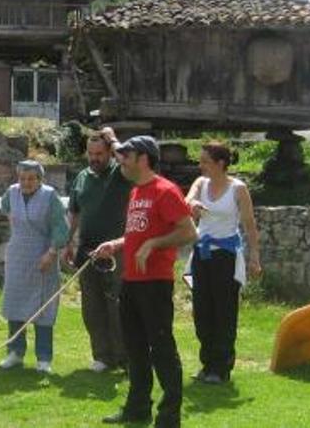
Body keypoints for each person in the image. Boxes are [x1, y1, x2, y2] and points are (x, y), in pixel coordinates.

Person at [95, 134, 197, 428]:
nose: (121, 160)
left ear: (143, 158)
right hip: (132, 280)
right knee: (135, 349)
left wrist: (153, 244)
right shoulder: (136, 193)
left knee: (161, 349)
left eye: (126, 155)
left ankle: (169, 417)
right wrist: (115, 244)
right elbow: (137, 235)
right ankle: (137, 409)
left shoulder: (166, 191)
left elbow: (190, 232)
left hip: (156, 283)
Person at [184, 141, 262, 384]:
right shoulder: (201, 183)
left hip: (226, 255)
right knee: (202, 311)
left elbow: (249, 225)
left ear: (220, 164)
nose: (201, 165)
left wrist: (254, 258)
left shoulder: (238, 189)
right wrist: (193, 204)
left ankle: (221, 368)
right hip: (202, 253)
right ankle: (207, 364)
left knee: (224, 312)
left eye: (205, 161)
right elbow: (187, 200)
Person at [64, 129, 131, 373]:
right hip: (87, 251)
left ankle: (125, 358)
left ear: (109, 153)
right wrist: (68, 242)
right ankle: (103, 357)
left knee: (118, 305)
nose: (95, 158)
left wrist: (113, 139)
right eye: (91, 154)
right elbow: (75, 212)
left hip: (117, 250)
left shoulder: (121, 173)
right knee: (92, 307)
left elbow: (128, 158)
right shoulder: (82, 177)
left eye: (100, 154)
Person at [0, 160, 69, 374]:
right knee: (15, 304)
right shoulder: (11, 193)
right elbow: (5, 206)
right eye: (22, 178)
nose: (26, 182)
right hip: (18, 256)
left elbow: (61, 228)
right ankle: (15, 352)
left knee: (43, 308)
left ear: (40, 179)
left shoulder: (50, 196)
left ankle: (44, 358)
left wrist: (52, 252)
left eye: (31, 178)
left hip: (44, 257)